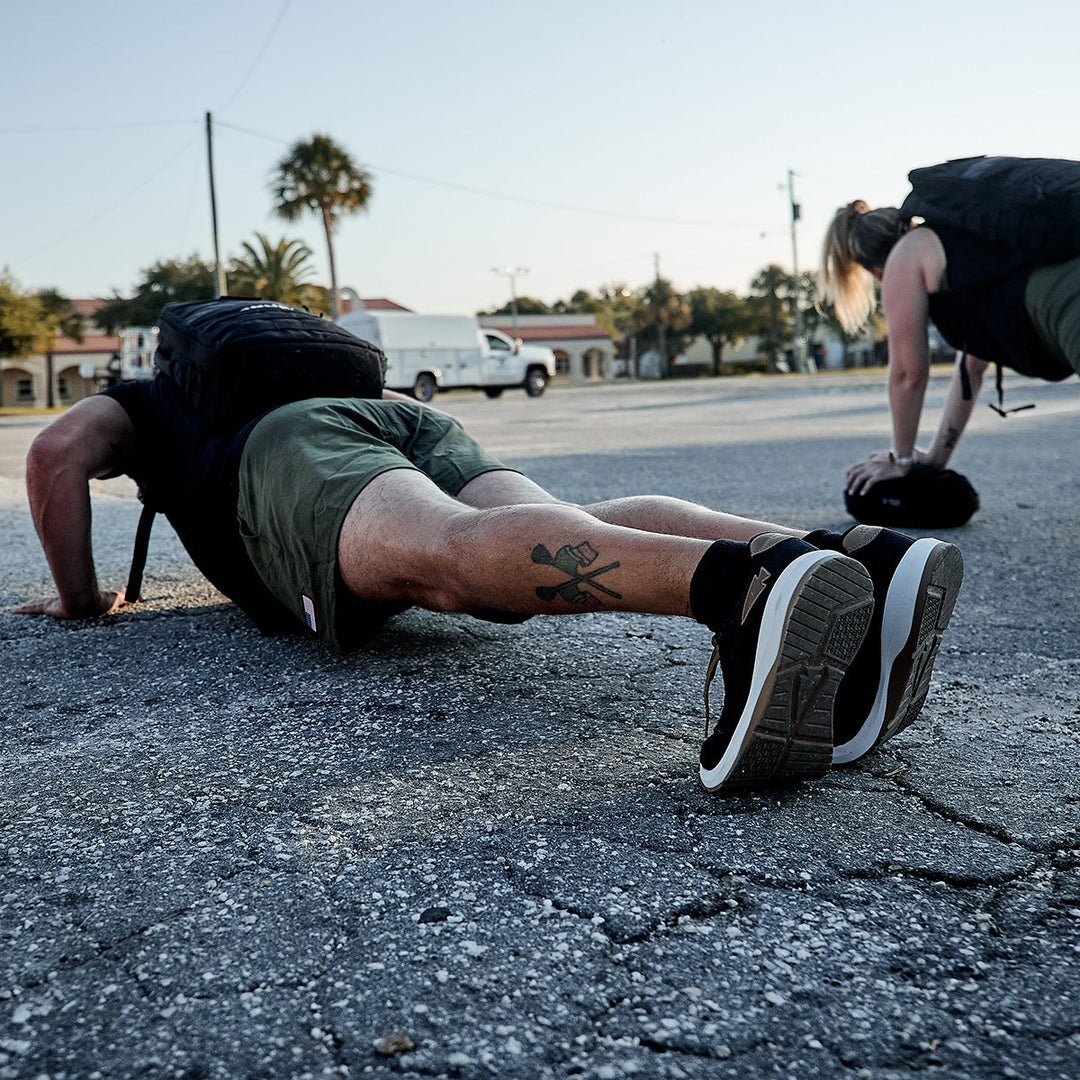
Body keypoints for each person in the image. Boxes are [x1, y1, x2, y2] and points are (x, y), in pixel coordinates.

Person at [15, 375, 963, 793]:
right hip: (399, 417)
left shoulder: (145, 394)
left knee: (452, 558)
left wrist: (80, 598)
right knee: (576, 527)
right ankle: (848, 559)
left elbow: (57, 452)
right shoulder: (293, 365)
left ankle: (746, 587)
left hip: (291, 451)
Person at [821, 199, 1080, 497]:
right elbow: (971, 368)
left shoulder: (906, 255)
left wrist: (901, 461)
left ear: (877, 272)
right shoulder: (965, 245)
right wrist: (934, 459)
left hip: (1065, 303)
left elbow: (908, 374)